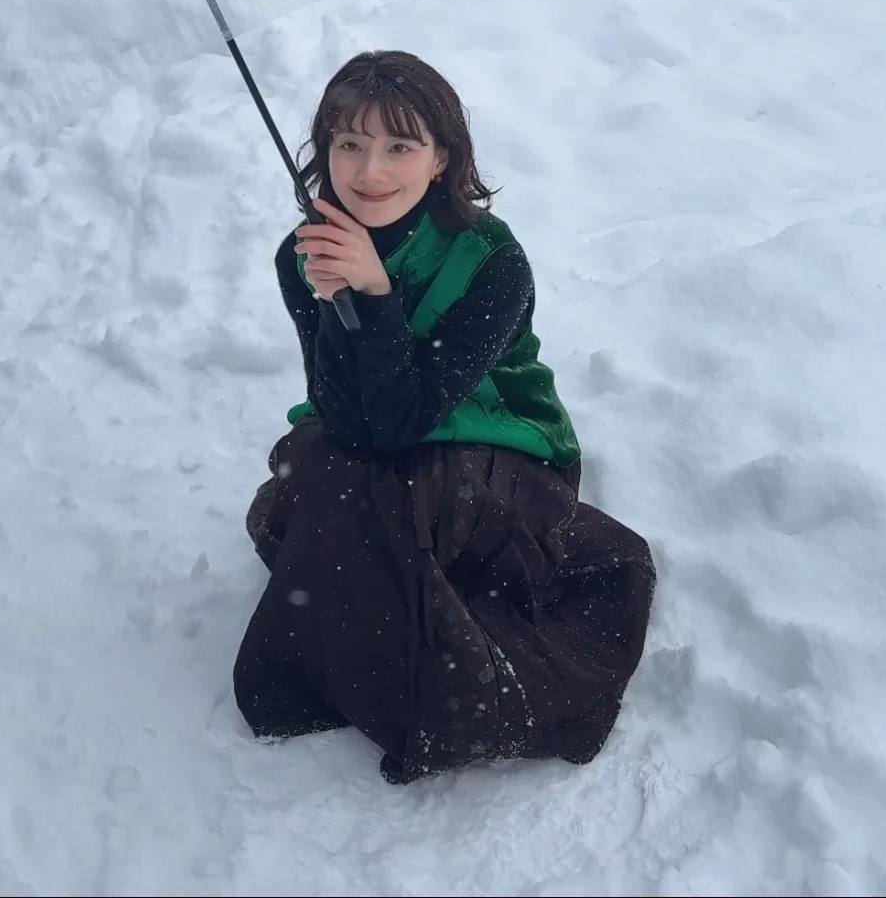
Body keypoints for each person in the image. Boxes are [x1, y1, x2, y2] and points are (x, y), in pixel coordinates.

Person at [233, 51, 656, 784]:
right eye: (350, 144)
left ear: (441, 161)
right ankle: (380, 617)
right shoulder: (303, 256)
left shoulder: (490, 260)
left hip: (498, 447)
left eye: (400, 146)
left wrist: (372, 295)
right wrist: (337, 299)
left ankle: (450, 694)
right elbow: (343, 413)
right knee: (322, 468)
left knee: (390, 494)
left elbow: (406, 418)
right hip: (378, 431)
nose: (370, 171)